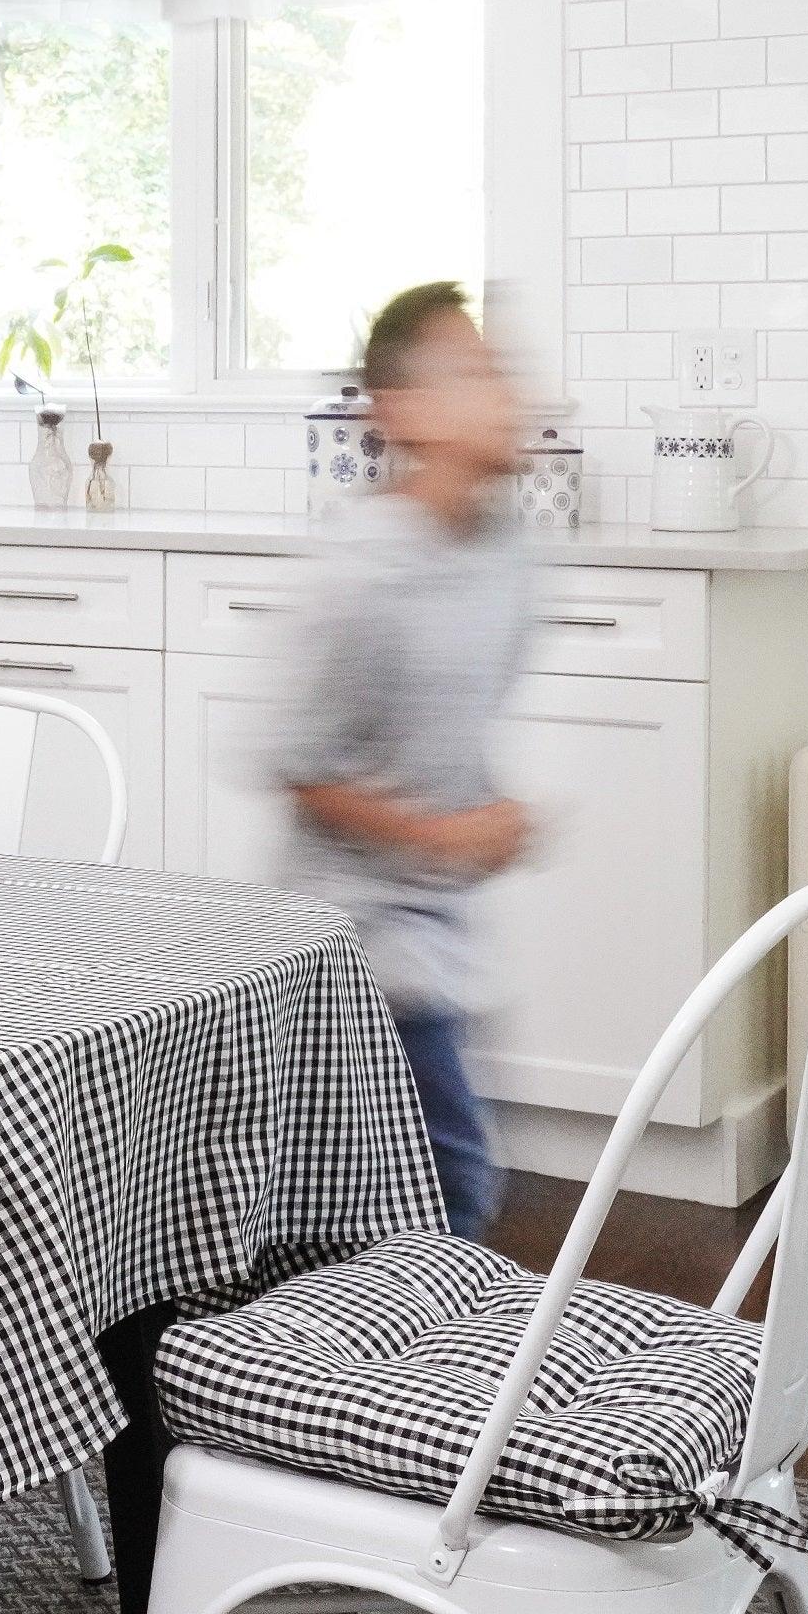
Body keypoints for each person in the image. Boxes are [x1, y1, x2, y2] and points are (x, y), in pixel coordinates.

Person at [274, 282, 535, 1239]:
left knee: (424, 1190)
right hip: (360, 949)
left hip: (441, 938)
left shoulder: (507, 556)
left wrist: (482, 811)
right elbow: (296, 764)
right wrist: (447, 833)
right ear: (402, 413)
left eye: (503, 370)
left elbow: (445, 725)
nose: (509, 392)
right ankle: (435, 1379)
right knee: (449, 1190)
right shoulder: (355, 576)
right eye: (476, 374)